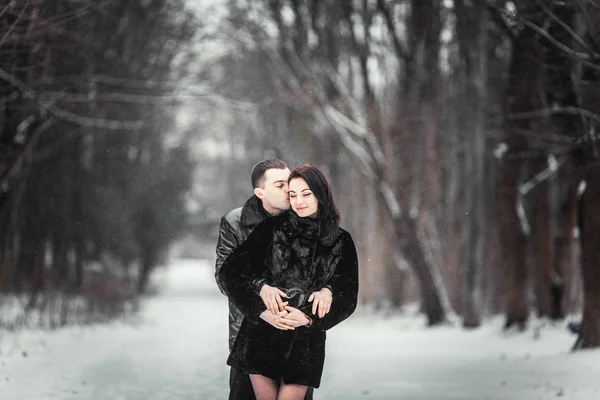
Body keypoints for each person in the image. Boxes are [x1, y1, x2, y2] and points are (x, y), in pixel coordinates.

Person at [217, 163, 359, 400]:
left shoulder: (341, 241)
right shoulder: (272, 229)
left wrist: (314, 312)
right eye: (292, 195)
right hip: (262, 335)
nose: (298, 201)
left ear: (320, 194)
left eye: (306, 194)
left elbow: (348, 297)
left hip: (304, 343)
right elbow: (230, 274)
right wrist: (261, 300)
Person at [215, 159, 315, 400]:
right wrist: (261, 291)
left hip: (295, 340)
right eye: (280, 185)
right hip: (249, 337)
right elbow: (224, 277)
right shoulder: (235, 222)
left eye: (289, 183)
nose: (288, 190)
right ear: (260, 192)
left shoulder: (307, 220)